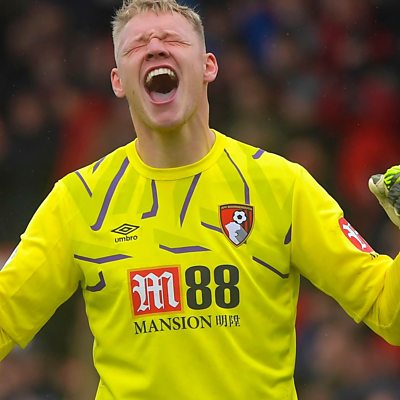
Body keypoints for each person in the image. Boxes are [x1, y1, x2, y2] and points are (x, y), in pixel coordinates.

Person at [1, 0, 400, 399]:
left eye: (172, 39)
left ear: (209, 66)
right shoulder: (79, 199)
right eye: (137, 45)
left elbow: (389, 312)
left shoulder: (282, 185)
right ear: (118, 81)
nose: (155, 48)